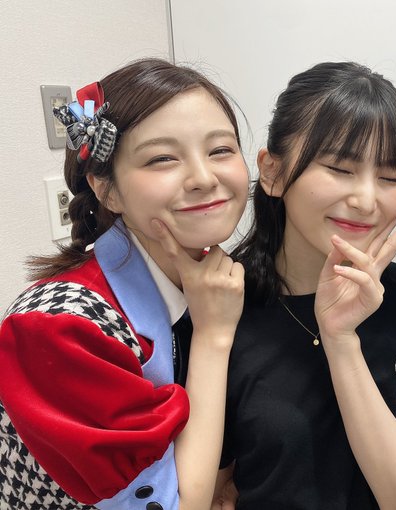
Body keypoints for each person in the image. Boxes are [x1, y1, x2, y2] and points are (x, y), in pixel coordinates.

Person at [0, 58, 249, 509]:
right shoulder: (59, 328)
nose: (204, 178)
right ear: (106, 189)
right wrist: (213, 337)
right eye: (162, 158)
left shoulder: (219, 280)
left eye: (220, 150)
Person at [215, 62, 396, 510]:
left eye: (390, 177)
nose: (366, 199)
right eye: (340, 168)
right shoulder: (223, 300)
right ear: (273, 172)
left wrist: (340, 339)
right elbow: (208, 485)